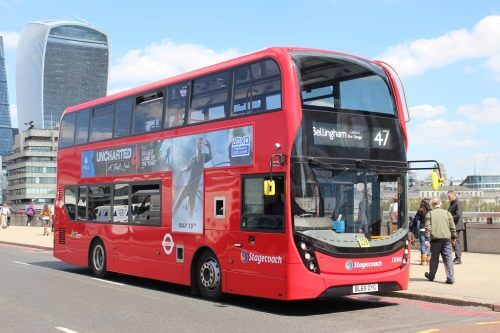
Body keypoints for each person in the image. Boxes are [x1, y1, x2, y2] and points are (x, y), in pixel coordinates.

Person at [173, 137, 212, 218]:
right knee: (176, 206)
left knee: (191, 214)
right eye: (199, 143)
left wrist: (210, 147)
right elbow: (188, 168)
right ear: (196, 144)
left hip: (194, 189)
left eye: (201, 143)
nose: (200, 144)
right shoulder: (194, 157)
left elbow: (211, 156)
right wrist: (181, 170)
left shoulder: (204, 157)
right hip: (188, 186)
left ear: (202, 145)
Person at [424, 197, 457, 284]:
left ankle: (431, 276)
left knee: (434, 259)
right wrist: (454, 237)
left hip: (435, 240)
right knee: (448, 258)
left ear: (431, 205)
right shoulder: (447, 213)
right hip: (446, 239)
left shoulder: (429, 214)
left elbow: (427, 228)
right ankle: (450, 277)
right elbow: (452, 226)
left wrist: (427, 239)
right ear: (440, 204)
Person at [412, 199, 431, 265]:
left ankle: (423, 261)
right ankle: (428, 259)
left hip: (422, 229)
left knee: (423, 244)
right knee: (428, 245)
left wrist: (413, 229)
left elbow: (415, 220)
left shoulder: (420, 211)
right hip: (429, 230)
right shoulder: (430, 211)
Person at [447, 190, 464, 265]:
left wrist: (449, 218)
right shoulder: (452, 203)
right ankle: (457, 257)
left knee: (455, 241)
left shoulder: (458, 203)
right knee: (455, 241)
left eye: (449, 196)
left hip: (457, 226)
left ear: (454, 196)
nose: (448, 198)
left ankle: (458, 258)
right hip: (453, 225)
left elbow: (458, 215)